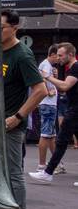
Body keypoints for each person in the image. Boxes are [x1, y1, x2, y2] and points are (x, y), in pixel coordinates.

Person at [0, 10, 47, 209]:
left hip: (11, 125)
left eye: (1, 28)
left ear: (15, 28)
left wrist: (17, 117)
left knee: (13, 173)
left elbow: (41, 90)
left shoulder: (22, 55)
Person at [28, 42, 78, 187]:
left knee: (61, 140)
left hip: (74, 110)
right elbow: (64, 89)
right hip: (73, 108)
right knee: (59, 139)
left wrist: (47, 77)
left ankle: (47, 172)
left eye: (61, 55)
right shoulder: (71, 68)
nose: (59, 58)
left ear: (70, 54)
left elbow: (65, 86)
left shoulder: (75, 67)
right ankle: (47, 172)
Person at [37, 45, 62, 172]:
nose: (59, 58)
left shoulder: (48, 66)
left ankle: (57, 163)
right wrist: (47, 91)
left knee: (51, 135)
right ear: (52, 54)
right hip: (48, 103)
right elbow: (41, 77)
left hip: (49, 103)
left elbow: (47, 79)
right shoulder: (46, 65)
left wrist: (55, 78)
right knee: (46, 134)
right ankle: (42, 166)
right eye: (58, 55)